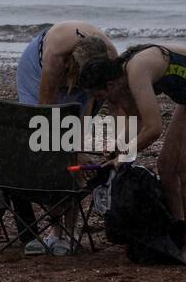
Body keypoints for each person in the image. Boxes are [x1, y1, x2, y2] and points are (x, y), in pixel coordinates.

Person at [75, 42, 186, 263]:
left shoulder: (136, 70)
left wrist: (124, 155)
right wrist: (116, 153)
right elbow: (137, 121)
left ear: (111, 84)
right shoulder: (122, 80)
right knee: (166, 167)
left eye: (100, 95)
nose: (104, 101)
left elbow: (154, 129)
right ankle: (176, 235)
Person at [13, 22, 117, 254]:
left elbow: (93, 104)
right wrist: (70, 150)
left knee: (73, 158)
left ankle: (67, 233)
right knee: (49, 149)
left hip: (87, 73)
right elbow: (45, 117)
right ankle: (54, 229)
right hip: (36, 71)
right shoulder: (56, 57)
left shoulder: (110, 58)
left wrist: (80, 147)